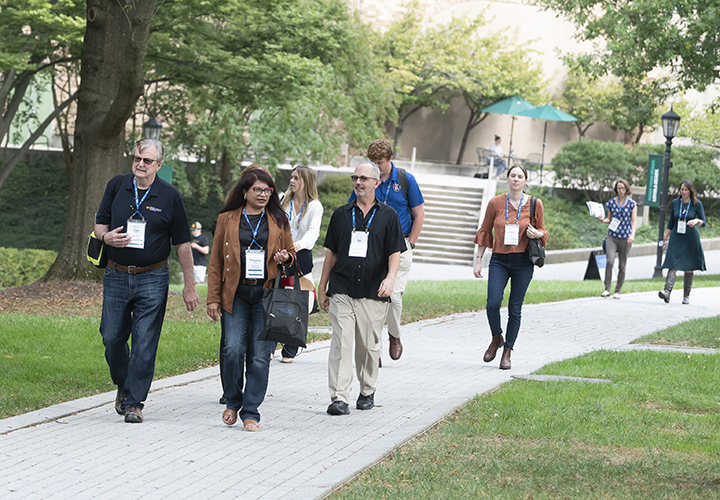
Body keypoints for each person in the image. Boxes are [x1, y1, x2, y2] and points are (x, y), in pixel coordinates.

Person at [94, 138, 199, 423]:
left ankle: (134, 403)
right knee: (112, 337)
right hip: (116, 273)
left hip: (153, 276)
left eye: (147, 161)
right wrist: (105, 237)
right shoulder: (117, 186)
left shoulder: (169, 196)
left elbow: (182, 244)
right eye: (137, 158)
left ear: (159, 166)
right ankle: (124, 384)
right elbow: (100, 221)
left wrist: (189, 286)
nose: (140, 164)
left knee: (144, 341)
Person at [206, 167, 295, 431]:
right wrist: (213, 299)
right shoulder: (227, 219)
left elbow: (291, 253)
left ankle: (251, 411)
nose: (263, 194)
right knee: (232, 349)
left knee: (260, 355)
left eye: (268, 190)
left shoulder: (279, 220)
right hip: (236, 294)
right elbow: (215, 263)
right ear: (244, 192)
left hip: (266, 295)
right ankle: (232, 400)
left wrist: (285, 258)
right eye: (257, 189)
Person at [318, 161, 406, 415]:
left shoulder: (388, 215)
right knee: (342, 343)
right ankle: (339, 397)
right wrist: (323, 286)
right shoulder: (341, 215)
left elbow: (395, 252)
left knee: (368, 346)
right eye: (355, 177)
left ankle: (367, 389)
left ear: (376, 183)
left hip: (373, 290)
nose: (358, 182)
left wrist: (390, 279)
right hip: (343, 287)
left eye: (364, 178)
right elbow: (331, 253)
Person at [350, 139, 424, 364]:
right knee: (372, 298)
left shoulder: (405, 180)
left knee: (393, 296)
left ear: (390, 159)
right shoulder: (367, 181)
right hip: (371, 247)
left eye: (380, 163)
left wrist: (410, 244)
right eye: (372, 162)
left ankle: (394, 335)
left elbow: (419, 215)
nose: (376, 166)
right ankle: (375, 348)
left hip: (400, 246)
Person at [473, 164, 548, 370]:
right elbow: (485, 231)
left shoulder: (535, 203)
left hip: (523, 261)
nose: (516, 179)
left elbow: (543, 229)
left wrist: (538, 235)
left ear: (525, 181)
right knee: (492, 303)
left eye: (520, 176)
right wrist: (478, 260)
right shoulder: (496, 202)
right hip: (499, 259)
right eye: (512, 175)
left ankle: (508, 351)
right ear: (507, 179)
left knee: (515, 308)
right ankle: (496, 337)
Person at [277, 166, 324, 363]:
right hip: (279, 256)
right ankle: (270, 342)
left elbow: (313, 233)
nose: (292, 181)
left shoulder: (315, 206)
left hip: (300, 257)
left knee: (300, 302)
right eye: (291, 177)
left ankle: (291, 347)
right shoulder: (282, 200)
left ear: (306, 182)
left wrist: (298, 245)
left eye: (296, 178)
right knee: (275, 297)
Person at [659, 180, 706, 305]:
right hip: (676, 236)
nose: (684, 192)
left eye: (686, 190)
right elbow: (671, 222)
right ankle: (667, 292)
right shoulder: (675, 203)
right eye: (682, 189)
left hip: (690, 238)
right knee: (672, 262)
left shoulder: (697, 204)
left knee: (689, 266)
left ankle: (686, 296)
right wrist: (665, 237)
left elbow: (704, 221)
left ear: (691, 191)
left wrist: (696, 221)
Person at [597, 179, 637, 299]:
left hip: (625, 237)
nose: (621, 191)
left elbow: (633, 221)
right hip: (612, 236)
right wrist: (601, 219)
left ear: (627, 190)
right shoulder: (611, 203)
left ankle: (617, 290)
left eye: (623, 188)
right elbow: (609, 219)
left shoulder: (632, 204)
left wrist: (632, 235)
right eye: (619, 188)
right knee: (610, 261)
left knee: (622, 265)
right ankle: (607, 289)